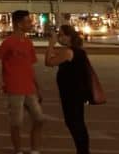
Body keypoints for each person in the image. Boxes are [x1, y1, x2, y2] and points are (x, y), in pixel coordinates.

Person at [0, 10, 44, 154]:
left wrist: (37, 87)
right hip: (14, 89)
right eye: (28, 21)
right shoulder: (8, 42)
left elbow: (30, 66)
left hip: (29, 88)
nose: (31, 24)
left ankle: (35, 150)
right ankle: (18, 151)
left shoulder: (28, 42)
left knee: (39, 119)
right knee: (16, 123)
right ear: (19, 24)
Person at [45, 24, 91, 153]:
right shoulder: (77, 50)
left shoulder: (68, 52)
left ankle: (83, 151)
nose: (59, 37)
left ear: (68, 36)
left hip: (71, 94)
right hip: (76, 93)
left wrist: (50, 44)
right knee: (78, 123)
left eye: (61, 34)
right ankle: (83, 150)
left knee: (74, 123)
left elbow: (49, 62)